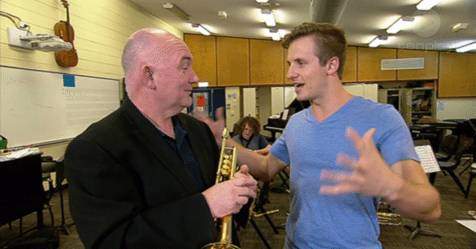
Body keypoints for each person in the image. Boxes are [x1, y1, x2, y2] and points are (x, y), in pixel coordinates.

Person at [200, 23, 441, 249]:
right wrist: (223, 140)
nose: (290, 74)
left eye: (300, 63)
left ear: (331, 65)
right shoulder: (296, 123)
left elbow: (430, 208)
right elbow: (265, 168)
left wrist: (390, 187)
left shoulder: (382, 118)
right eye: (289, 64)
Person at [64, 28, 257, 249]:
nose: (194, 77)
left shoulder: (197, 130)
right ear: (149, 76)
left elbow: (221, 200)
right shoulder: (95, 149)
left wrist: (239, 193)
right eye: (184, 67)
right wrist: (207, 205)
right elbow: (114, 241)